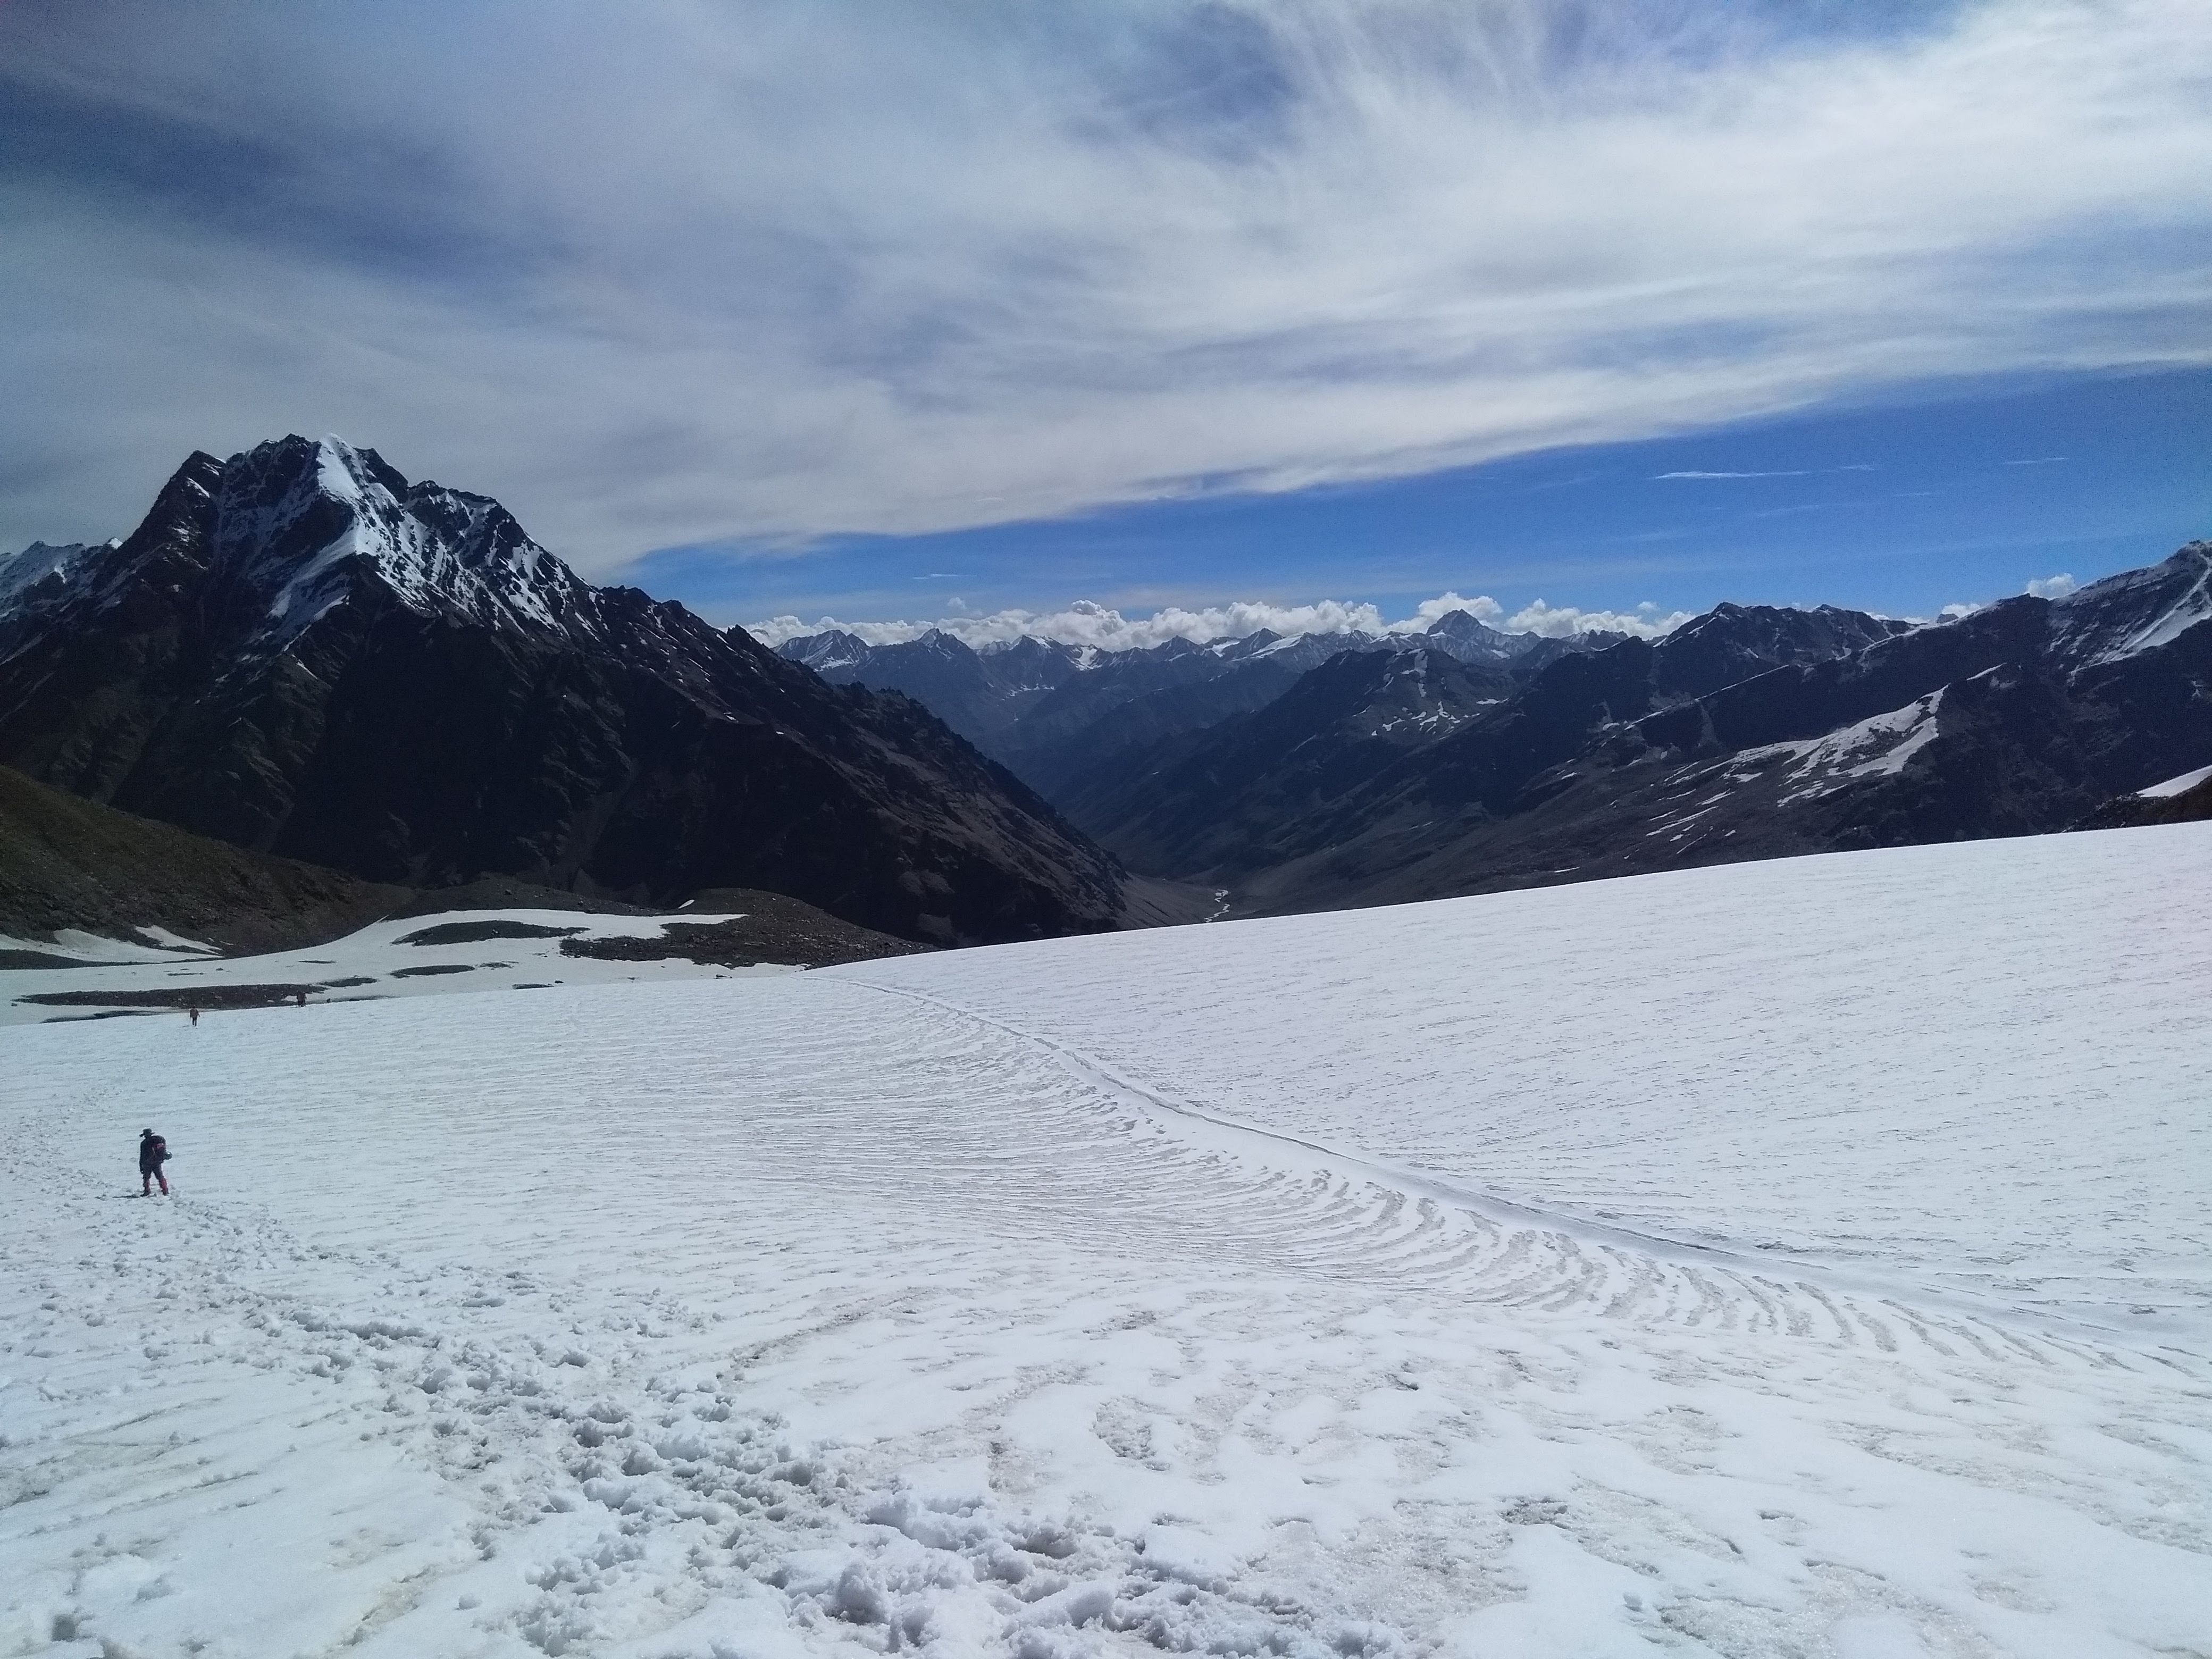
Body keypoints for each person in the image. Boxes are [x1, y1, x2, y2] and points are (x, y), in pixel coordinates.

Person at [139, 1128, 170, 1196]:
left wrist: (141, 1166)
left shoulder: (143, 1143)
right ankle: (165, 1190)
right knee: (160, 1176)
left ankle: (147, 1190)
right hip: (157, 1162)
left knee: (146, 1178)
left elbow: (142, 1156)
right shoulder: (157, 1140)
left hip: (147, 1163)